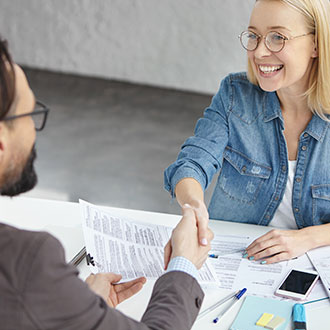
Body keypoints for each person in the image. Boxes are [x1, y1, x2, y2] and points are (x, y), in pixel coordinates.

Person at [0, 37, 214, 329]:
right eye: (30, 115)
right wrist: (183, 266)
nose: (34, 132)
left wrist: (75, 307)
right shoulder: (24, 262)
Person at [164, 0, 330, 265]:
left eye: (278, 37)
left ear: (316, 44)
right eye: (254, 36)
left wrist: (307, 238)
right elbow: (192, 162)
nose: (260, 52)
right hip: (232, 263)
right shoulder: (234, 95)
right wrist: (193, 206)